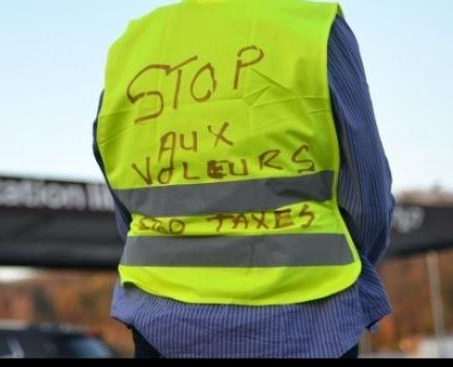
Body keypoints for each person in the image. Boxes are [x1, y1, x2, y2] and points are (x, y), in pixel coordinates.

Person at [92, 0, 394, 359]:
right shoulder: (312, 28)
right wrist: (354, 268)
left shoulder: (133, 46)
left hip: (161, 322)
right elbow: (367, 192)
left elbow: (122, 184)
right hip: (310, 319)